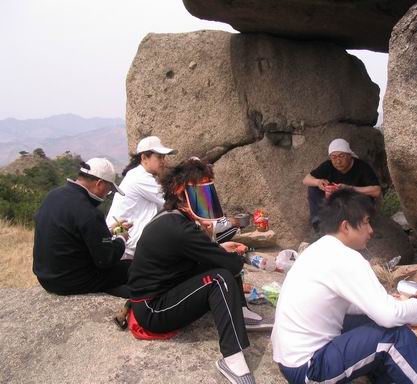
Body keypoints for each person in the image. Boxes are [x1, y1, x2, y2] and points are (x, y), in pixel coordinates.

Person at [271, 190, 417, 384]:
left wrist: (389, 302)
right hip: (310, 369)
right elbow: (389, 316)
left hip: (290, 363)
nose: (371, 230)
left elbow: (348, 305)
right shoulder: (345, 258)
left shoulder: (318, 249)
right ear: (346, 226)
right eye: (366, 222)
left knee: (370, 317)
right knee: (394, 335)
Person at [128, 158, 269, 384]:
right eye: (199, 196)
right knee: (219, 278)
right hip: (153, 310)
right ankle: (232, 359)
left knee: (219, 261)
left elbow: (199, 253)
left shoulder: (175, 218)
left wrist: (219, 250)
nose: (205, 201)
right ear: (180, 194)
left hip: (166, 290)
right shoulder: (178, 228)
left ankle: (238, 313)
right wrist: (228, 255)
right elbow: (231, 265)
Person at [33, 158, 132, 298]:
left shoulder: (53, 195)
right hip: (71, 281)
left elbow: (74, 235)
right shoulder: (88, 211)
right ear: (99, 184)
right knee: (131, 266)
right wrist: (122, 238)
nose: (106, 194)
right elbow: (106, 259)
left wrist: (108, 231)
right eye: (108, 189)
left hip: (46, 278)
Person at [106, 136, 176, 260]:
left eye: (163, 157)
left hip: (125, 242)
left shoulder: (138, 175)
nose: (163, 161)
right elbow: (173, 200)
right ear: (144, 158)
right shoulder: (140, 178)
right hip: (127, 247)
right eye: (159, 157)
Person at [303, 138, 382, 232]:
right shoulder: (328, 166)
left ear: (349, 156)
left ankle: (359, 225)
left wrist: (350, 189)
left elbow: (377, 191)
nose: (338, 161)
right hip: (337, 204)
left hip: (356, 204)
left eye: (341, 156)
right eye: (334, 157)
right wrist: (318, 182)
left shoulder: (362, 167)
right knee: (313, 188)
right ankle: (319, 225)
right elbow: (306, 180)